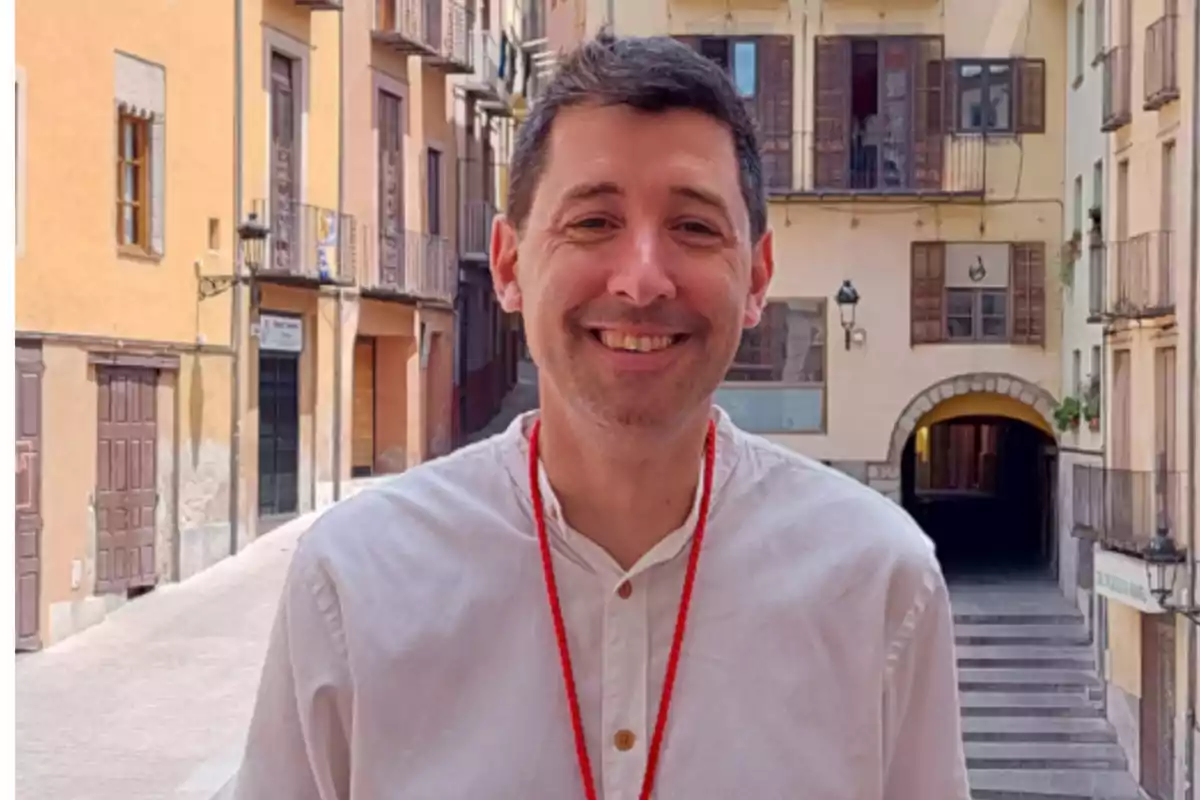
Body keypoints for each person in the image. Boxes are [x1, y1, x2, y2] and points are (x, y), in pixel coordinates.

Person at [232, 32, 971, 800]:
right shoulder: (353, 579)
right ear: (512, 265)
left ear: (756, 277)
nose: (643, 279)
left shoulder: (880, 581)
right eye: (592, 223)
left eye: (693, 227)